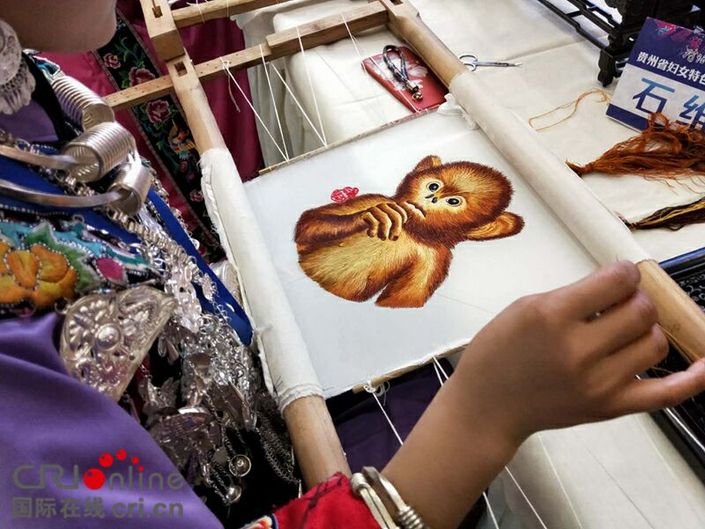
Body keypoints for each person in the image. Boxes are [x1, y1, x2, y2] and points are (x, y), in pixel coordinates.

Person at [1, 2, 705, 529]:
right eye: (436, 188)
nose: (431, 201)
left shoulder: (32, 91)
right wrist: (483, 417)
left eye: (450, 203)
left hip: (249, 417)